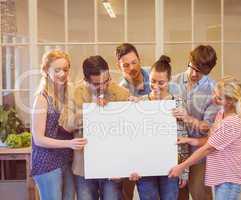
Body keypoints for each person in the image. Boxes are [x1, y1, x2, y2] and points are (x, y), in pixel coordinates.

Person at [169, 76, 241, 200]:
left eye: (218, 98)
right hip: (222, 177)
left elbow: (208, 148)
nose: (213, 99)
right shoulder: (221, 114)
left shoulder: (232, 122)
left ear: (231, 101)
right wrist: (189, 140)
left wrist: (182, 166)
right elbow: (212, 140)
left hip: (230, 179)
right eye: (214, 94)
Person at [129, 55, 189, 200]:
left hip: (170, 168)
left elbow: (183, 140)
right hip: (145, 168)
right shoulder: (140, 103)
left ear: (169, 81)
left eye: (161, 82)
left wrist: (184, 171)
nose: (156, 86)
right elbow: (132, 139)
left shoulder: (178, 103)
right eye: (153, 81)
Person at [70, 55, 130, 200]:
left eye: (106, 81)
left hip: (113, 164)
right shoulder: (75, 92)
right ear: (86, 80)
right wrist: (90, 110)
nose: (103, 86)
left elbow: (128, 130)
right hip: (83, 166)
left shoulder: (122, 93)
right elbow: (67, 124)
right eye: (97, 84)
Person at [31, 50, 86, 200]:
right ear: (45, 71)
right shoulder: (42, 98)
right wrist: (69, 143)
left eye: (65, 69)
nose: (62, 73)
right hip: (47, 163)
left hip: (66, 160)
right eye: (57, 70)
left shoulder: (70, 92)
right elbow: (38, 139)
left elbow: (89, 91)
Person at [170, 45, 219, 200]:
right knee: (178, 194)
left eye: (199, 71)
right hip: (175, 151)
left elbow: (207, 128)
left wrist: (187, 118)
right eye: (191, 67)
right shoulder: (173, 82)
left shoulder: (213, 90)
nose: (193, 73)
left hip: (198, 153)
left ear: (207, 71)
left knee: (200, 194)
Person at [115, 43, 151, 200]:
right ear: (119, 66)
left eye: (134, 62)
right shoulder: (119, 90)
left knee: (150, 194)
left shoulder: (155, 77)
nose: (131, 68)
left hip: (152, 148)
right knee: (124, 194)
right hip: (128, 150)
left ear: (139, 59)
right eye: (126, 65)